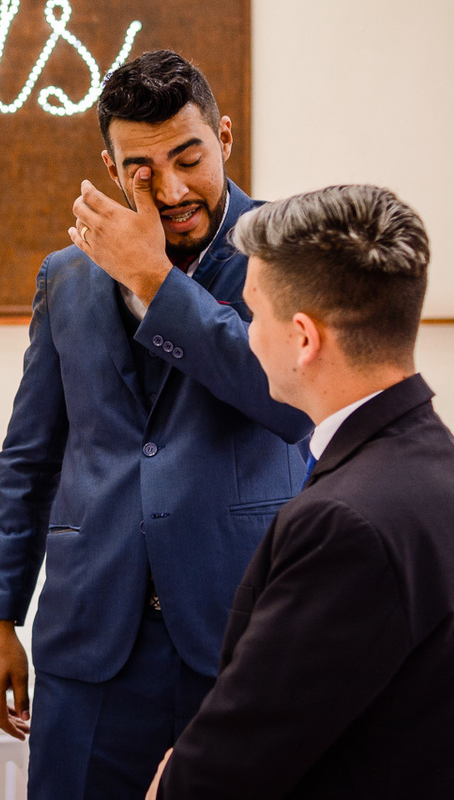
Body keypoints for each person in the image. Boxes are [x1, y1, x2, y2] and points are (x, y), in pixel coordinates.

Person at [0, 50, 314, 798]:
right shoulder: (65, 275)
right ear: (109, 162)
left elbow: (288, 404)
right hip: (91, 639)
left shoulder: (288, 251)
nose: (169, 190)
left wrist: (153, 280)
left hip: (239, 634)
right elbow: (30, 456)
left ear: (225, 136)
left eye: (189, 159)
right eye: (140, 169)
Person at [147, 185, 454, 798]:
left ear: (305, 339)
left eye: (254, 315)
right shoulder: (433, 465)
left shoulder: (343, 524)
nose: (250, 336)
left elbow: (241, 757)